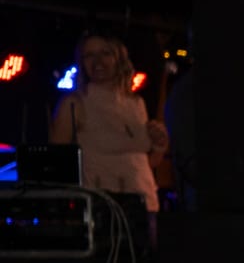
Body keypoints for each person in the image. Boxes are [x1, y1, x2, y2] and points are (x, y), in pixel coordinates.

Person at [50, 29, 165, 218]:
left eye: (105, 53)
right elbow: (55, 163)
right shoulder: (75, 103)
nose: (97, 61)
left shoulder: (136, 103)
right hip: (104, 209)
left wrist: (159, 145)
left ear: (119, 57)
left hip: (145, 205)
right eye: (89, 55)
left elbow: (143, 162)